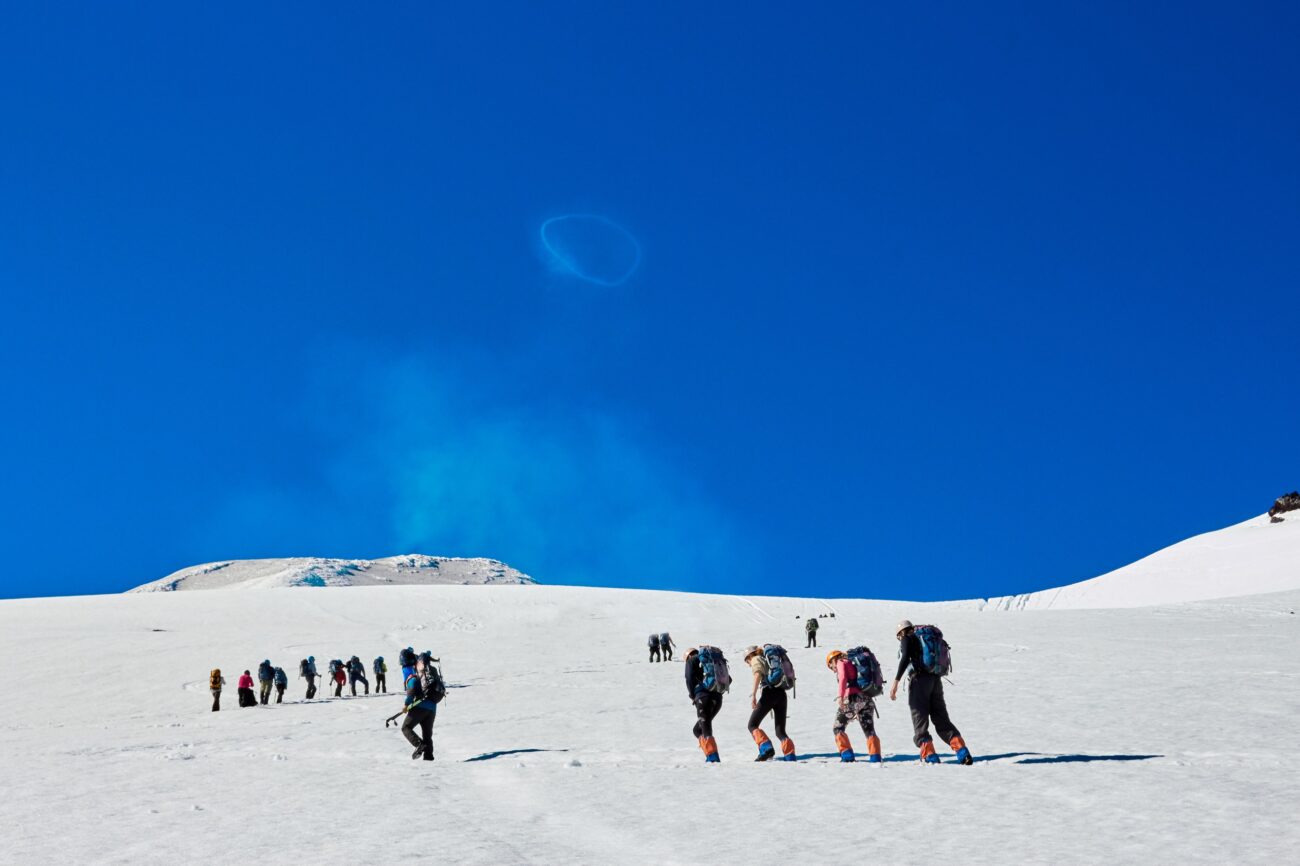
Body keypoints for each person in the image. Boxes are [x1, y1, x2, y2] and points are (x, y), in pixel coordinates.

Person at [889, 620, 972, 764]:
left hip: (919, 680)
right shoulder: (925, 639)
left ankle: (930, 755)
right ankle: (962, 751)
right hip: (935, 680)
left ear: (901, 632)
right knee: (941, 718)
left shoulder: (907, 638)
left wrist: (896, 682)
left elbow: (905, 657)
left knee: (919, 717)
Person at [744, 645, 796, 762]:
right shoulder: (768, 659)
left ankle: (766, 748)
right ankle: (790, 756)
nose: (748, 663)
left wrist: (753, 695)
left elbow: (757, 674)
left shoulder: (756, 659)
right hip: (781, 695)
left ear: (750, 655)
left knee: (752, 725)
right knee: (780, 731)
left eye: (747, 660)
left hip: (769, 693)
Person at [826, 650, 880, 762]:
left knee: (838, 727)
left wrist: (840, 696)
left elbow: (843, 678)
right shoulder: (852, 663)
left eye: (831, 666)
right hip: (867, 699)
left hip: (852, 699)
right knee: (869, 730)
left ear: (833, 659)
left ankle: (847, 756)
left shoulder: (841, 662)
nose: (832, 669)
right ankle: (875, 757)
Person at [684, 648, 721, 762]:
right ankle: (709, 753)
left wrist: (692, 695)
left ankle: (713, 757)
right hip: (718, 698)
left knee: (705, 728)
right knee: (697, 729)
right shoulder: (711, 660)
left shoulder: (691, 661)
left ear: (688, 656)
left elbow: (689, 678)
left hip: (703, 697)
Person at [401, 653, 440, 761]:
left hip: (420, 706)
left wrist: (406, 704)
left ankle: (419, 745)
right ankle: (429, 758)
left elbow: (412, 687)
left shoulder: (414, 674)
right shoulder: (429, 672)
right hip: (432, 707)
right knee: (427, 735)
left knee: (406, 727)